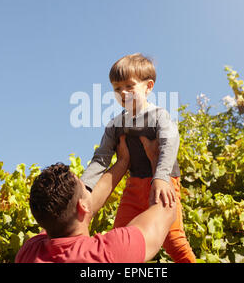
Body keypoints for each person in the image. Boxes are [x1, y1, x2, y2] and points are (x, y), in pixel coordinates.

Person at [80, 53, 196, 263]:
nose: (123, 92)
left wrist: (161, 177)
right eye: (117, 88)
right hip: (135, 185)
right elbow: (101, 159)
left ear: (148, 86)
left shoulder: (159, 115)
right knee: (120, 238)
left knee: (174, 241)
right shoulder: (115, 125)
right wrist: (84, 187)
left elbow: (170, 143)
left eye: (129, 86)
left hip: (164, 181)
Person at [14, 135, 177, 263]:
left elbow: (81, 209)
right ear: (82, 206)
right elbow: (166, 209)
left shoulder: (29, 253)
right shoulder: (107, 253)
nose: (88, 189)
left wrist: (122, 163)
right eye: (84, 188)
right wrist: (157, 159)